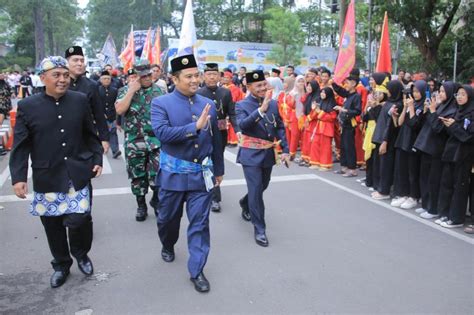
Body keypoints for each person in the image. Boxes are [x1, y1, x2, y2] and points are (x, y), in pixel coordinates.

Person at [9, 56, 103, 288]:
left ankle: (81, 254)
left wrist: (97, 158)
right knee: (52, 224)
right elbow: (21, 145)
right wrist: (19, 177)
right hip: (47, 174)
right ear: (43, 78)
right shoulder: (27, 106)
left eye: (65, 75)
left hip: (77, 173)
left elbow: (91, 134)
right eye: (56, 75)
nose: (62, 80)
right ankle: (61, 264)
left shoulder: (80, 100)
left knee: (80, 219)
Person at [151, 54, 224, 293]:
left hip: (201, 176)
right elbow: (162, 134)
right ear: (174, 78)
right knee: (167, 220)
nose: (195, 80)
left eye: (197, 75)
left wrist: (219, 170)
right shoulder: (161, 103)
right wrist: (195, 127)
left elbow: (216, 140)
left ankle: (197, 270)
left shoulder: (209, 104)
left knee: (200, 224)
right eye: (189, 76)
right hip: (173, 175)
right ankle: (168, 243)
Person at [236, 70, 290, 247]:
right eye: (258, 86)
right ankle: (259, 229)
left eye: (264, 85)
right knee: (257, 189)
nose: (263, 88)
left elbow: (280, 127)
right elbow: (243, 126)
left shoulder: (274, 104)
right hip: (250, 154)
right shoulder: (241, 105)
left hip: (268, 153)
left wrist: (286, 150)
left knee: (262, 186)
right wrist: (260, 111)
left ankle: (245, 202)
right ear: (249, 86)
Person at [115, 62, 163, 221]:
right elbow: (120, 110)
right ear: (136, 77)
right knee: (137, 176)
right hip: (134, 142)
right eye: (143, 76)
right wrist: (131, 91)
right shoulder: (124, 91)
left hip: (156, 141)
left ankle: (156, 200)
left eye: (149, 75)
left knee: (158, 175)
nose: (148, 78)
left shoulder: (160, 91)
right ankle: (141, 205)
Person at [413, 82, 459, 220]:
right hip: (427, 146)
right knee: (424, 177)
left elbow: (438, 128)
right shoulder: (440, 106)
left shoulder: (452, 109)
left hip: (438, 149)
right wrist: (431, 110)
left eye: (443, 92)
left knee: (434, 180)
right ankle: (426, 204)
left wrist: (433, 111)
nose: (440, 94)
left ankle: (433, 208)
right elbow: (428, 123)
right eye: (439, 91)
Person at [197, 63, 238, 212]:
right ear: (203, 76)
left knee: (217, 160)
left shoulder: (225, 93)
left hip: (221, 132)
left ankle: (214, 196)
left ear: (219, 76)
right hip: (204, 132)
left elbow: (231, 113)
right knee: (206, 161)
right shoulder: (199, 93)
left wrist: (237, 129)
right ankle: (212, 195)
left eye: (215, 74)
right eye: (209, 74)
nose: (212, 77)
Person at [433, 84, 473, 228]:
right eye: (458, 95)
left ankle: (456, 218)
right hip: (451, 152)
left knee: (459, 186)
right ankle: (445, 214)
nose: (460, 97)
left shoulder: (471, 114)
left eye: (463, 94)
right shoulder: (457, 111)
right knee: (447, 183)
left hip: (463, 155)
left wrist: (454, 126)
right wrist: (449, 125)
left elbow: (468, 138)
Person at [65, 46, 110, 154]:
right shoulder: (61, 83)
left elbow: (98, 113)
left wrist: (104, 138)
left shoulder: (91, 85)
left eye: (82, 60)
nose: (80, 63)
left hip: (86, 136)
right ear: (67, 63)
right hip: (63, 136)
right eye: (75, 60)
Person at [391, 81, 427, 209]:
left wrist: (411, 107)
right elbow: (401, 122)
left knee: (413, 171)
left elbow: (414, 124)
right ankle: (404, 194)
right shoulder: (411, 103)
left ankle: (414, 196)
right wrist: (405, 108)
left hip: (414, 142)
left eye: (417, 91)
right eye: (414, 91)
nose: (415, 94)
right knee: (402, 170)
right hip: (403, 140)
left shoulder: (423, 106)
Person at [371, 80, 404, 200]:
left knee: (386, 166)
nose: (387, 91)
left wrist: (385, 141)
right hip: (381, 137)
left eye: (389, 89)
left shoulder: (398, 105)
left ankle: (384, 191)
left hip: (389, 139)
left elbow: (391, 125)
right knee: (380, 164)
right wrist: (374, 107)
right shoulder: (388, 102)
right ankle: (380, 187)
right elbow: (379, 119)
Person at [332, 74, 362, 177]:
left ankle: (352, 169)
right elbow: (339, 90)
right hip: (344, 124)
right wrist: (333, 81)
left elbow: (357, 111)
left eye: (347, 83)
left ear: (353, 84)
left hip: (350, 125)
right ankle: (344, 167)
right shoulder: (348, 94)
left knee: (349, 147)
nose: (345, 85)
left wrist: (344, 110)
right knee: (343, 146)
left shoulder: (356, 96)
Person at [309, 87, 338, 170]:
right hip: (318, 127)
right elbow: (315, 115)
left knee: (325, 147)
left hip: (327, 128)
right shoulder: (320, 102)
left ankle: (325, 164)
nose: (322, 94)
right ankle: (315, 162)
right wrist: (314, 110)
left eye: (324, 93)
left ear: (328, 94)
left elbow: (332, 118)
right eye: (321, 92)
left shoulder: (332, 104)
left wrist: (320, 112)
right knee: (315, 144)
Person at [98, 70, 121, 159]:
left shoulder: (115, 90)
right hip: (101, 116)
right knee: (101, 133)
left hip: (112, 115)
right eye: (104, 79)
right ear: (100, 80)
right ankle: (101, 149)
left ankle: (115, 151)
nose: (106, 80)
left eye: (108, 78)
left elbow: (117, 103)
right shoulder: (97, 90)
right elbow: (96, 104)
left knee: (113, 132)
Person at [301, 80, 321, 165]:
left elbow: (316, 111)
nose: (308, 88)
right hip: (307, 119)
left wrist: (309, 118)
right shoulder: (309, 96)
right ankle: (306, 158)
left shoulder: (317, 97)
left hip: (313, 121)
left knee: (311, 140)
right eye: (307, 86)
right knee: (306, 139)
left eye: (310, 86)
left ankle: (312, 159)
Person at [0, 73, 12, 155]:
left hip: (3, 107)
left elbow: (10, 93)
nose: (2, 76)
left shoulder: (6, 84)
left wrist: (9, 107)